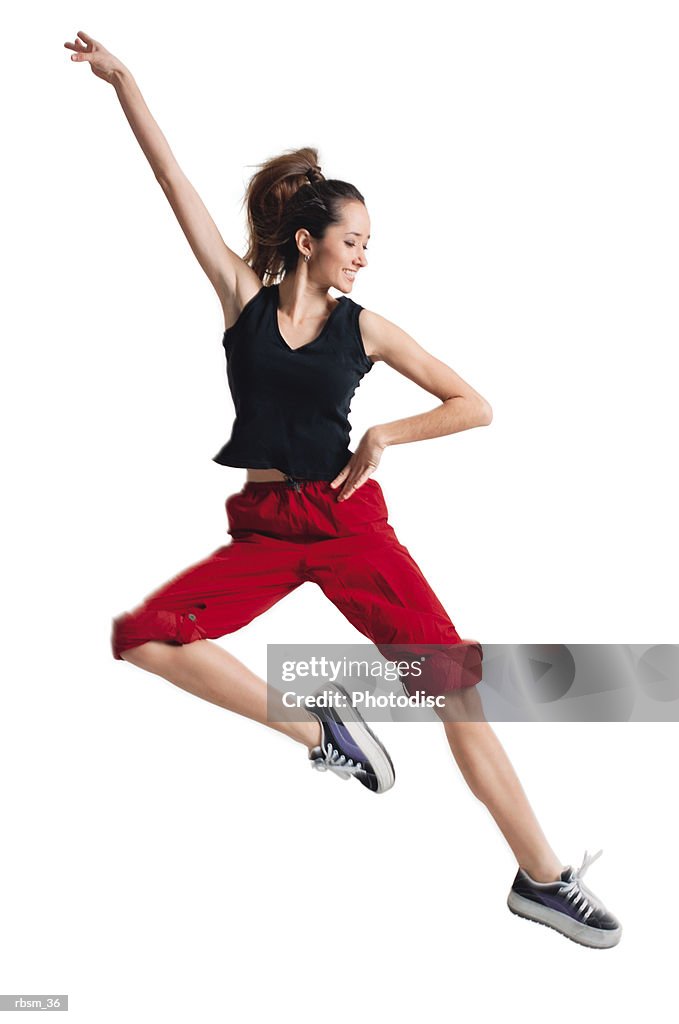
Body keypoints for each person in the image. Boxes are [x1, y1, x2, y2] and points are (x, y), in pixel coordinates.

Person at [65, 29, 622, 948]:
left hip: (350, 522)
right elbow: (175, 187)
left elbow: (471, 403)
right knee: (145, 637)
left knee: (454, 688)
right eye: (352, 241)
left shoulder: (366, 329)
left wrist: (385, 432)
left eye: (368, 243)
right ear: (307, 240)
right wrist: (125, 81)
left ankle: (542, 879)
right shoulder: (240, 298)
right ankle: (320, 726)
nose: (362, 256)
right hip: (265, 528)